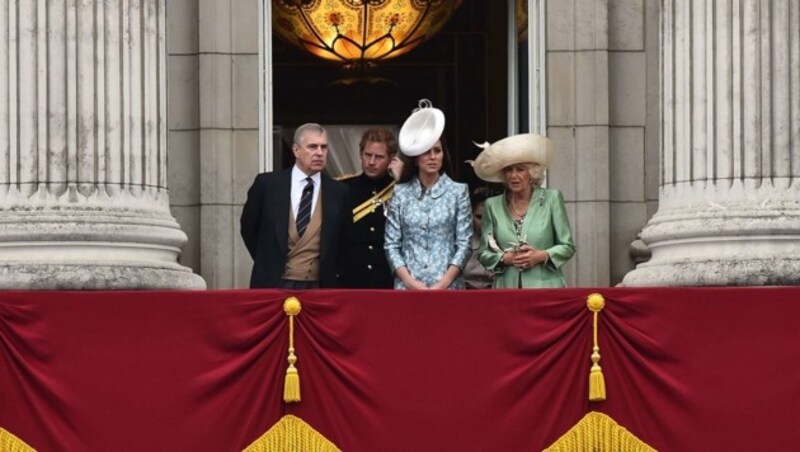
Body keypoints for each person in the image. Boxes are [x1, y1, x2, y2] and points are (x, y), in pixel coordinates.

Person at [240, 123, 352, 289]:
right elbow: (249, 229)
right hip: (273, 282)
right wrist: (268, 261)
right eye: (312, 147)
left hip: (321, 285)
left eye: (324, 147)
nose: (319, 153)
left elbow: (345, 240)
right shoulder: (268, 185)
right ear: (296, 150)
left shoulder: (339, 192)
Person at [384, 100, 472, 290]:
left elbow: (464, 244)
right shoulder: (400, 192)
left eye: (437, 151)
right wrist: (409, 282)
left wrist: (443, 284)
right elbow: (391, 244)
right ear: (415, 158)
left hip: (449, 287)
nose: (432, 157)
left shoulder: (458, 191)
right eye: (426, 152)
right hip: (407, 288)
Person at [472, 133, 575, 288]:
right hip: (506, 288)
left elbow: (567, 246)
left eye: (520, 169)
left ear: (532, 173)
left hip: (545, 288)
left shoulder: (552, 199)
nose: (514, 176)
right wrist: (506, 259)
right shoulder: (492, 205)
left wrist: (541, 256)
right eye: (508, 170)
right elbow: (484, 253)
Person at [338, 128, 401, 288]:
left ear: (391, 159)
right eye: (368, 155)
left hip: (387, 279)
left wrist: (401, 182)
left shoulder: (400, 190)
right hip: (351, 280)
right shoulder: (343, 188)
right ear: (360, 154)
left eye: (379, 157)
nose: (371, 162)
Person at [462, 187, 495, 289]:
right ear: (470, 216)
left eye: (489, 216)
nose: (484, 223)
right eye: (479, 217)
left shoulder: (508, 242)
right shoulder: (462, 242)